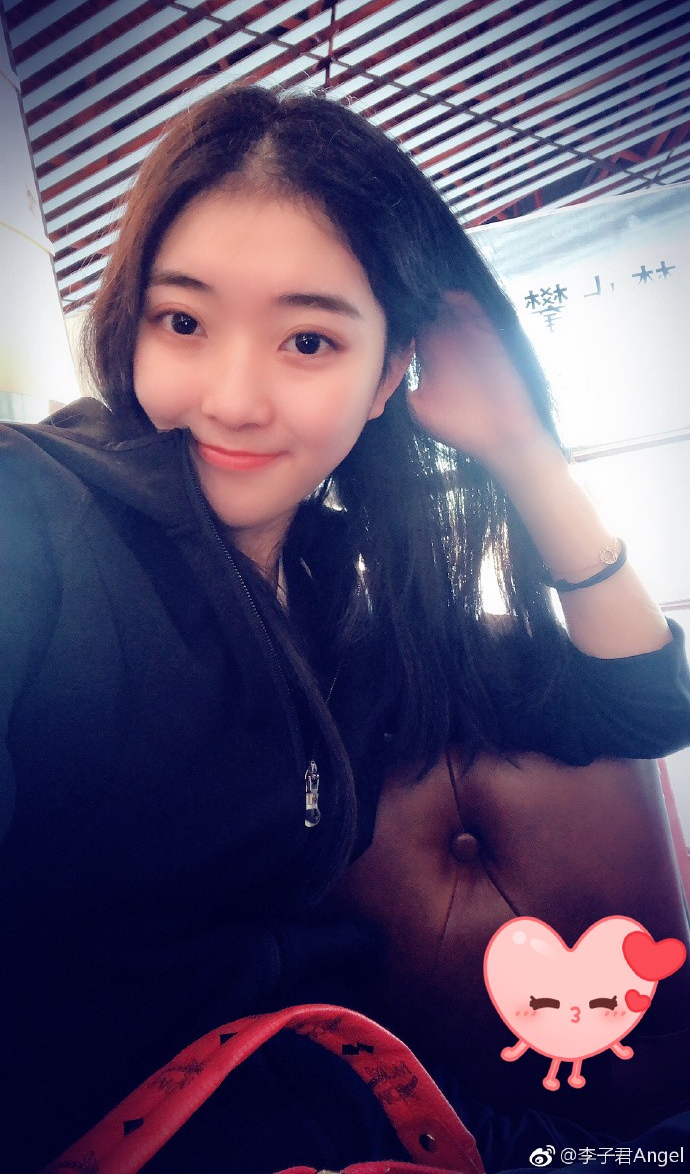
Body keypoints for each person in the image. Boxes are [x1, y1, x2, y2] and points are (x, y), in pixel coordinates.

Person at [1, 82, 689, 1174]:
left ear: (388, 377)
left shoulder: (337, 609)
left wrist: (519, 446)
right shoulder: (36, 514)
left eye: (309, 340)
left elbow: (644, 704)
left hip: (379, 1113)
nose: (233, 398)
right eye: (185, 322)